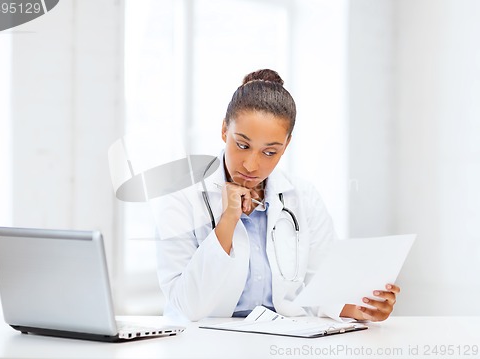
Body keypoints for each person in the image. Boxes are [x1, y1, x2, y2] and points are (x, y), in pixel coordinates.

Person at [152, 69, 400, 322]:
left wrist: (360, 307)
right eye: (242, 145)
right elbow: (186, 306)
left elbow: (320, 289)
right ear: (225, 130)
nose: (251, 165)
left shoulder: (303, 196)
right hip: (203, 344)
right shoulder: (180, 197)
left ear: (286, 145)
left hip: (283, 339)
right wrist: (227, 221)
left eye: (269, 152)